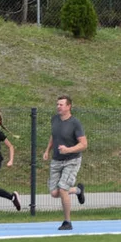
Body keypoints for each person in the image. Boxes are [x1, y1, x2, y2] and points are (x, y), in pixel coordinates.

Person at [42, 95, 86, 231]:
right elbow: (54, 135)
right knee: (55, 193)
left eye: (61, 104)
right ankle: (78, 190)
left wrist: (68, 150)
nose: (58, 107)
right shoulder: (55, 119)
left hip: (71, 160)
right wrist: (47, 150)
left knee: (63, 189)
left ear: (68, 106)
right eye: (57, 104)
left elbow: (84, 144)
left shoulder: (75, 123)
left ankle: (67, 222)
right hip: (56, 160)